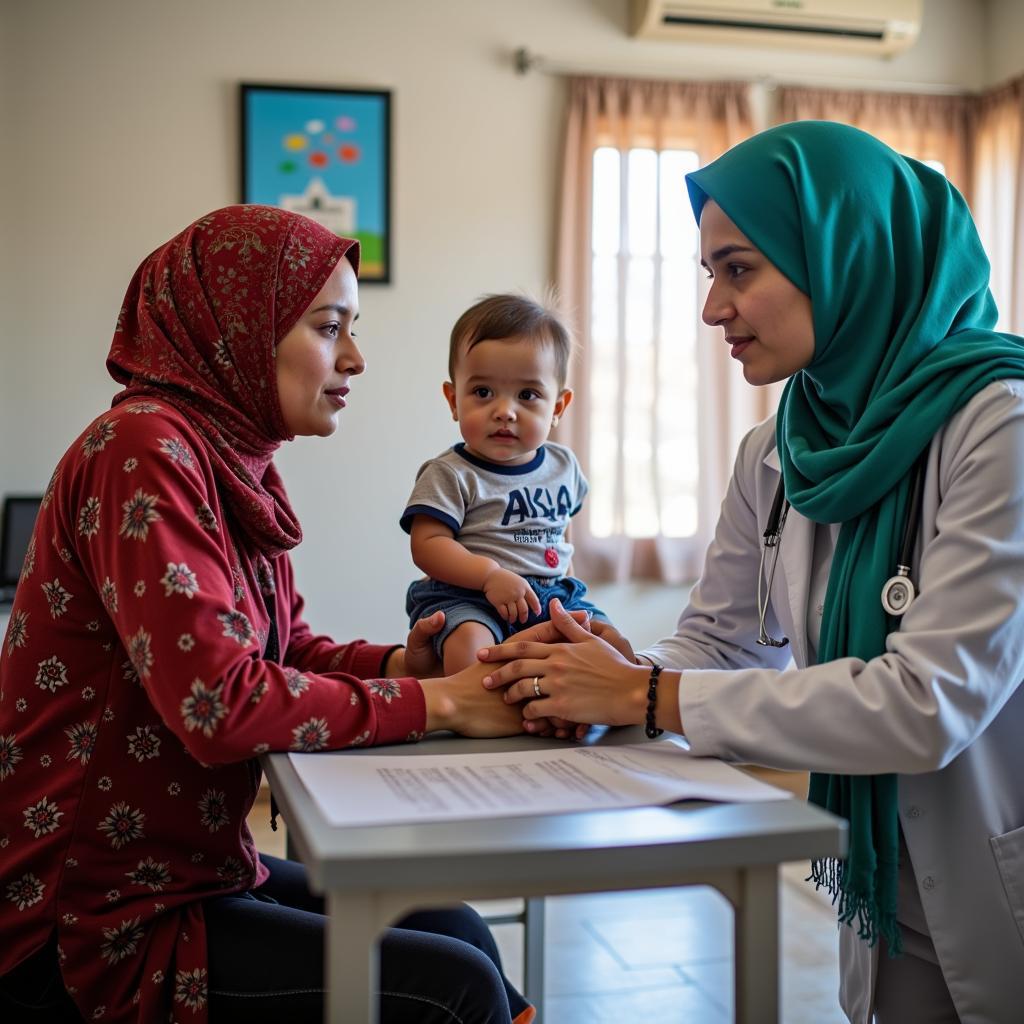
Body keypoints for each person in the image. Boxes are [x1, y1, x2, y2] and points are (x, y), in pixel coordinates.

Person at [476, 121, 1024, 1024]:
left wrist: (645, 697)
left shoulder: (998, 424)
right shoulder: (778, 448)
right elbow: (723, 641)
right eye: (710, 276)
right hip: (886, 885)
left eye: (740, 270)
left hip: (992, 873)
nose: (713, 309)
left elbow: (929, 705)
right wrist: (606, 670)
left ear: (844, 255)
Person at [0, 205, 538, 1024]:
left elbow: (285, 649)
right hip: (93, 914)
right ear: (238, 328)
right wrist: (443, 702)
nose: (355, 358)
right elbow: (220, 702)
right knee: (452, 991)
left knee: (456, 929)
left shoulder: (229, 460)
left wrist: (404, 667)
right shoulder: (143, 448)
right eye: (330, 327)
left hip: (189, 869)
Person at [402, 293, 606, 676]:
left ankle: (586, 708)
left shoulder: (564, 467)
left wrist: (568, 586)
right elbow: (427, 546)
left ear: (558, 408)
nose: (505, 411)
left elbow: (561, 534)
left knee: (607, 641)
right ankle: (473, 709)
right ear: (453, 400)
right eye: (483, 393)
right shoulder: (450, 473)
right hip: (470, 597)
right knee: (470, 646)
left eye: (528, 395)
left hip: (552, 594)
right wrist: (489, 576)